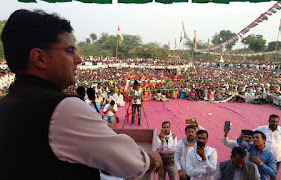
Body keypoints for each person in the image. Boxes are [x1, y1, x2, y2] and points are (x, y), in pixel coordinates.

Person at [0, 9, 162, 180]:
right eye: (70, 51)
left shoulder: (6, 103)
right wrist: (151, 160)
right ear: (40, 58)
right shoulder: (62, 109)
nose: (78, 59)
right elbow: (131, 163)